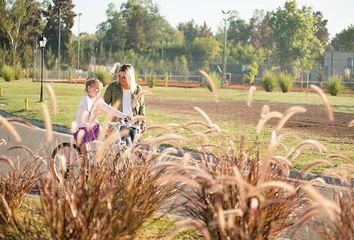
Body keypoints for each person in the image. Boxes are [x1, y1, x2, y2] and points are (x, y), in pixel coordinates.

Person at [73, 78, 128, 162]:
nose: (99, 91)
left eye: (100, 89)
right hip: (82, 129)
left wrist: (124, 116)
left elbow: (110, 109)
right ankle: (85, 170)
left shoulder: (98, 100)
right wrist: (96, 122)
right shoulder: (85, 100)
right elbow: (89, 112)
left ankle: (100, 157)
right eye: (96, 88)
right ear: (89, 88)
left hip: (91, 127)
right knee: (85, 158)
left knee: (107, 133)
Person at [103, 64, 146, 142]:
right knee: (118, 151)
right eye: (119, 76)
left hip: (134, 125)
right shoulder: (113, 87)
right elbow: (103, 104)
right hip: (117, 125)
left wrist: (143, 123)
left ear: (130, 77)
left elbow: (142, 107)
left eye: (124, 77)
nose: (120, 79)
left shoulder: (138, 89)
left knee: (132, 150)